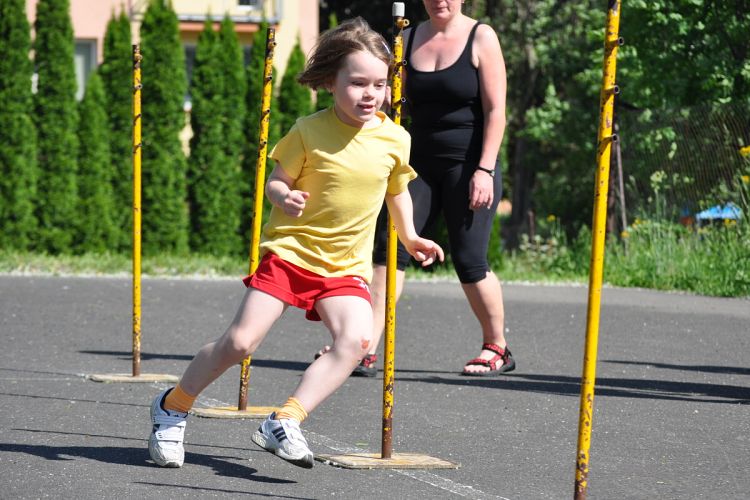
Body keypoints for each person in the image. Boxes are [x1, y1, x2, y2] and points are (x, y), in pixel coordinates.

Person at [147, 17, 444, 470]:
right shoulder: (307, 130)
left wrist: (412, 236)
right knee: (240, 343)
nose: (370, 94)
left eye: (380, 84)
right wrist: (284, 196)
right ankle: (173, 406)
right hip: (289, 255)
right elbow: (276, 181)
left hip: (344, 267)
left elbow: (397, 191)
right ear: (330, 82)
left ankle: (285, 419)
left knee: (357, 340)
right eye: (358, 83)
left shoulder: (394, 138)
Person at [363, 0, 513, 377]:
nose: (439, 1)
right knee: (391, 247)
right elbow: (391, 99)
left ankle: (497, 346)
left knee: (469, 258)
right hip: (418, 165)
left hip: (470, 165)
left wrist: (485, 169)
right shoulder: (406, 38)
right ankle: (365, 346)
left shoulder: (481, 37)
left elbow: (496, 111)